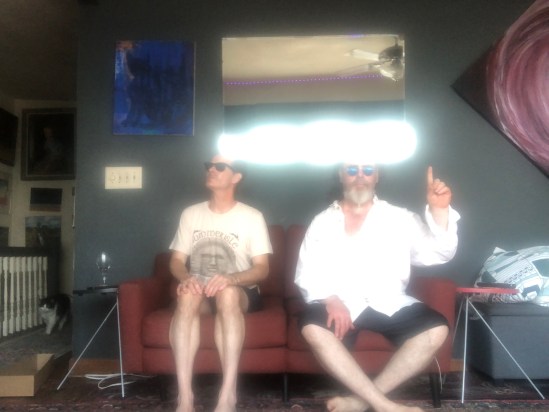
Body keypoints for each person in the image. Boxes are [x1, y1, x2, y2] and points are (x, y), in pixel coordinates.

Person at [295, 162, 460, 412]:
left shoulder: (399, 218)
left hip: (389, 300)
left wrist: (440, 211)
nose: (360, 176)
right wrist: (331, 300)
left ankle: (360, 402)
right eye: (352, 170)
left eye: (368, 170)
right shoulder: (322, 222)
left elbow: (438, 253)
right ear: (341, 175)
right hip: (340, 302)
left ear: (377, 175)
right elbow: (306, 272)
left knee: (436, 329)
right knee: (312, 328)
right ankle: (385, 406)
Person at [169, 154, 272, 412]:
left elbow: (262, 269)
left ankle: (228, 396)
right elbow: (176, 261)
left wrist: (231, 278)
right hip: (201, 290)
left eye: (220, 167)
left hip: (239, 290)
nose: (212, 170)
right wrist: (186, 278)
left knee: (227, 293)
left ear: (236, 177)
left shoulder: (252, 216)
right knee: (187, 295)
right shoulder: (191, 214)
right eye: (209, 166)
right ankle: (185, 397)